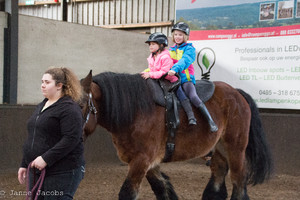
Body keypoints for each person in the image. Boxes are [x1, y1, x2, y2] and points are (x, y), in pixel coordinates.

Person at [18, 67, 85, 199]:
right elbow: (34, 137)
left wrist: (46, 158)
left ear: (59, 85)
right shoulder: (42, 105)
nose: (42, 85)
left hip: (63, 171)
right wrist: (24, 164)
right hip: (37, 169)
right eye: (42, 81)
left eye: (47, 82)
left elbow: (71, 139)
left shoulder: (69, 109)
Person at [168, 22, 218, 132]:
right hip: (174, 80)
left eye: (180, 35)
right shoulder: (170, 50)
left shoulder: (189, 49)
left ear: (185, 36)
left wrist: (174, 69)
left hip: (186, 79)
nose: (177, 37)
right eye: (175, 34)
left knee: (193, 96)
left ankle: (210, 121)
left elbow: (184, 61)